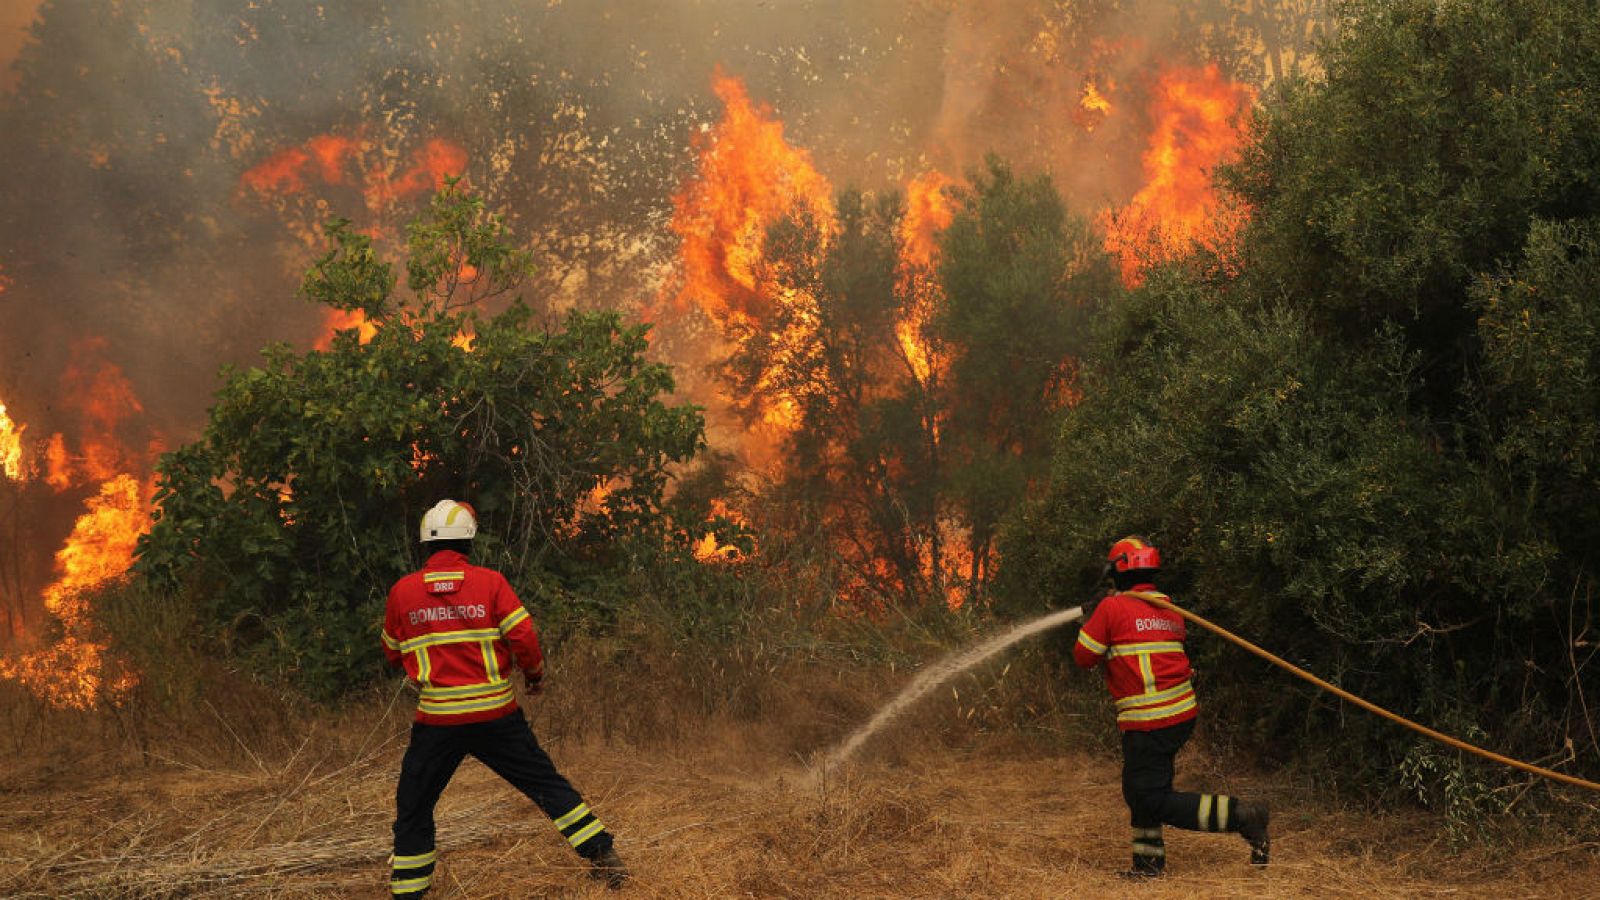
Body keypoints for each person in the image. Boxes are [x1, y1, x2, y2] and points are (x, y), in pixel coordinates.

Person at [381, 499, 629, 896]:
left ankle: (409, 891)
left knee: (414, 804)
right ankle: (606, 859)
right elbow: (523, 636)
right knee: (545, 784)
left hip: (438, 721)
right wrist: (533, 675)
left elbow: (393, 651)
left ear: (426, 543)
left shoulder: (402, 592)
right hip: (496, 715)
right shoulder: (491, 582)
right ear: (469, 543)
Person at [1072, 535, 1269, 877]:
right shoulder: (1168, 608)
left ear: (1119, 571)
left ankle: (1242, 816)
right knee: (1140, 789)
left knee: (1150, 796)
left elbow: (1084, 657)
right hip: (1177, 714)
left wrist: (1088, 620)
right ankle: (1147, 864)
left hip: (1151, 719)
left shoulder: (1112, 608)